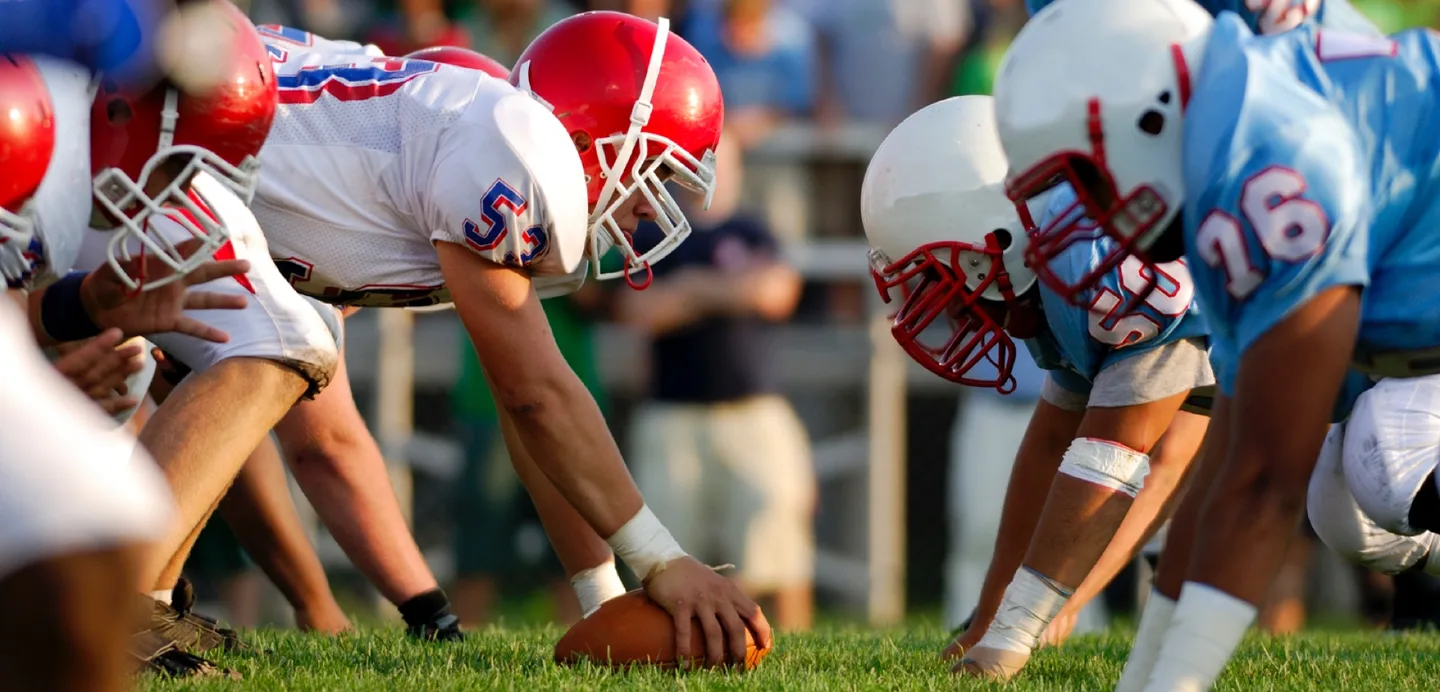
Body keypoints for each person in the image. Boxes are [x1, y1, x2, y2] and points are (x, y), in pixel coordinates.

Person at [246, 11, 770, 665]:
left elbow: (520, 420)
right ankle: (144, 603)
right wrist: (661, 559)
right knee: (161, 377)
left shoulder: (438, 138)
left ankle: (156, 601)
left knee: (259, 366)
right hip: (168, 142)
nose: (649, 205)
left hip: (214, 142)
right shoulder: (500, 152)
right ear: (589, 136)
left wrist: (601, 595)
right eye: (655, 174)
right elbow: (535, 400)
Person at [991, 0, 1440, 687]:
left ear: (1146, 115)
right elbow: (1223, 474)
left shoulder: (1266, 162)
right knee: (1337, 504)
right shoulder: (1225, 140)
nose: (1090, 211)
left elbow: (1261, 490)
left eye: (1085, 177)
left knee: (1390, 453)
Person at [861, 94, 1213, 680]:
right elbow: (1052, 442)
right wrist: (995, 611)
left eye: (943, 277)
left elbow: (1126, 458)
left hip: (1376, 345)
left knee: (1367, 510)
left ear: (993, 234)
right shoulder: (1053, 261)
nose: (951, 306)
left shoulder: (1101, 256)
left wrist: (1010, 637)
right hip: (1280, 370)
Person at [612, 129, 813, 630]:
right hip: (672, 412)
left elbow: (777, 292)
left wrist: (693, 290)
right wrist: (730, 291)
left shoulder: (753, 228)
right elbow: (639, 309)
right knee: (664, 555)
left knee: (777, 542)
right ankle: (675, 649)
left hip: (753, 409)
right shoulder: (656, 232)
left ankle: (788, 651)